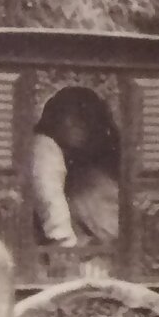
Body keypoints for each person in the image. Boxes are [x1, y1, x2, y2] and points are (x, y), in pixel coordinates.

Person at [29, 99, 121, 247]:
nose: (82, 124)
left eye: (87, 115)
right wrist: (66, 245)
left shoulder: (88, 168)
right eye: (74, 114)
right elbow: (51, 205)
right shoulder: (43, 147)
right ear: (54, 116)